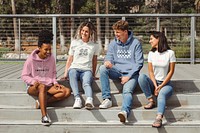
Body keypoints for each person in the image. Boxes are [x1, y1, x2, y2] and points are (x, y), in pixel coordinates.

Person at [21, 30, 71, 126]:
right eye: (46, 50)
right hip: (34, 87)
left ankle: (41, 103)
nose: (48, 52)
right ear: (39, 48)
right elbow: (24, 75)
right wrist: (33, 81)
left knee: (66, 91)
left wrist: (55, 83)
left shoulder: (51, 58)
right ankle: (44, 116)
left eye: (50, 49)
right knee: (42, 87)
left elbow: (53, 73)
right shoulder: (31, 59)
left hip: (48, 85)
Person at [98, 20, 144, 123]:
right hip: (117, 71)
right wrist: (107, 62)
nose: (116, 35)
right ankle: (107, 99)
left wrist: (129, 76)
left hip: (131, 74)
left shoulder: (136, 43)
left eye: (118, 32)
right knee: (102, 68)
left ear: (125, 31)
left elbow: (139, 63)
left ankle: (124, 112)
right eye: (115, 32)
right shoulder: (113, 43)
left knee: (127, 91)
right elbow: (108, 57)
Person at [138, 31, 176, 128]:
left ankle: (159, 118)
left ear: (158, 39)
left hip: (166, 84)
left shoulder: (170, 53)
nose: (149, 41)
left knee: (162, 94)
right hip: (154, 83)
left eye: (151, 39)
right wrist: (155, 86)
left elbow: (171, 72)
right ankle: (151, 100)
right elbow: (150, 72)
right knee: (142, 77)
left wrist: (161, 86)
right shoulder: (151, 53)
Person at [62, 21, 100, 110]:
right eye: (82, 30)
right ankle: (77, 99)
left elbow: (94, 61)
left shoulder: (94, 45)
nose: (84, 33)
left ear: (90, 32)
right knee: (72, 74)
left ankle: (89, 100)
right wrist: (65, 74)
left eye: (86, 31)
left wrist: (93, 74)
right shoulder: (75, 42)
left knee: (86, 83)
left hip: (86, 69)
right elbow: (70, 59)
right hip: (74, 68)